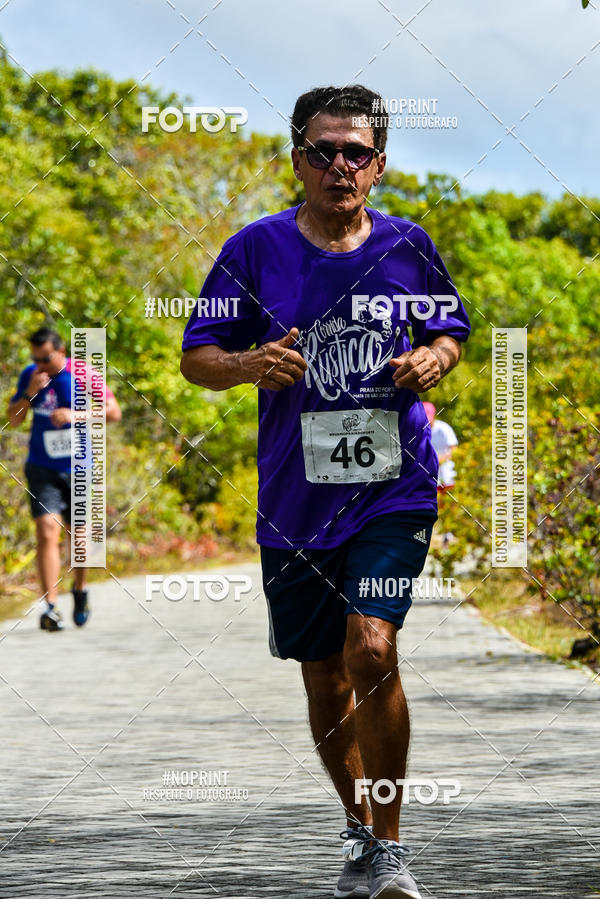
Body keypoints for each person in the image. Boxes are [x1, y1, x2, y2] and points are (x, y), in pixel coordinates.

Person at [180, 85, 470, 899]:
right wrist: (245, 364)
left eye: (355, 152)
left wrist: (436, 359)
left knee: (371, 645)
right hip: (297, 502)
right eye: (322, 150)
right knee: (324, 676)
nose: (338, 165)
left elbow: (451, 328)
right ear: (297, 159)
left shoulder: (409, 246)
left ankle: (390, 842)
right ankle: (354, 825)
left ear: (379, 164)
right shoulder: (255, 249)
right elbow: (195, 354)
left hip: (393, 488)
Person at [7, 327, 121, 631]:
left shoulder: (83, 373)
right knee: (47, 533)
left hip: (81, 467)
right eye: (35, 358)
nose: (39, 364)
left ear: (60, 351)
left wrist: (76, 416)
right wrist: (30, 393)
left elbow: (114, 411)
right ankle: (51, 607)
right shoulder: (31, 374)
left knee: (81, 541)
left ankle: (80, 590)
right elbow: (13, 420)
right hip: (42, 466)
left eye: (44, 358)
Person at [423, 402, 458, 547]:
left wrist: (439, 459)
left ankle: (451, 533)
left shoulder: (443, 429)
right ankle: (441, 535)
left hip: (447, 474)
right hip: (431, 476)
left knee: (450, 506)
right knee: (436, 506)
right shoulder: (420, 430)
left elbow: (454, 449)